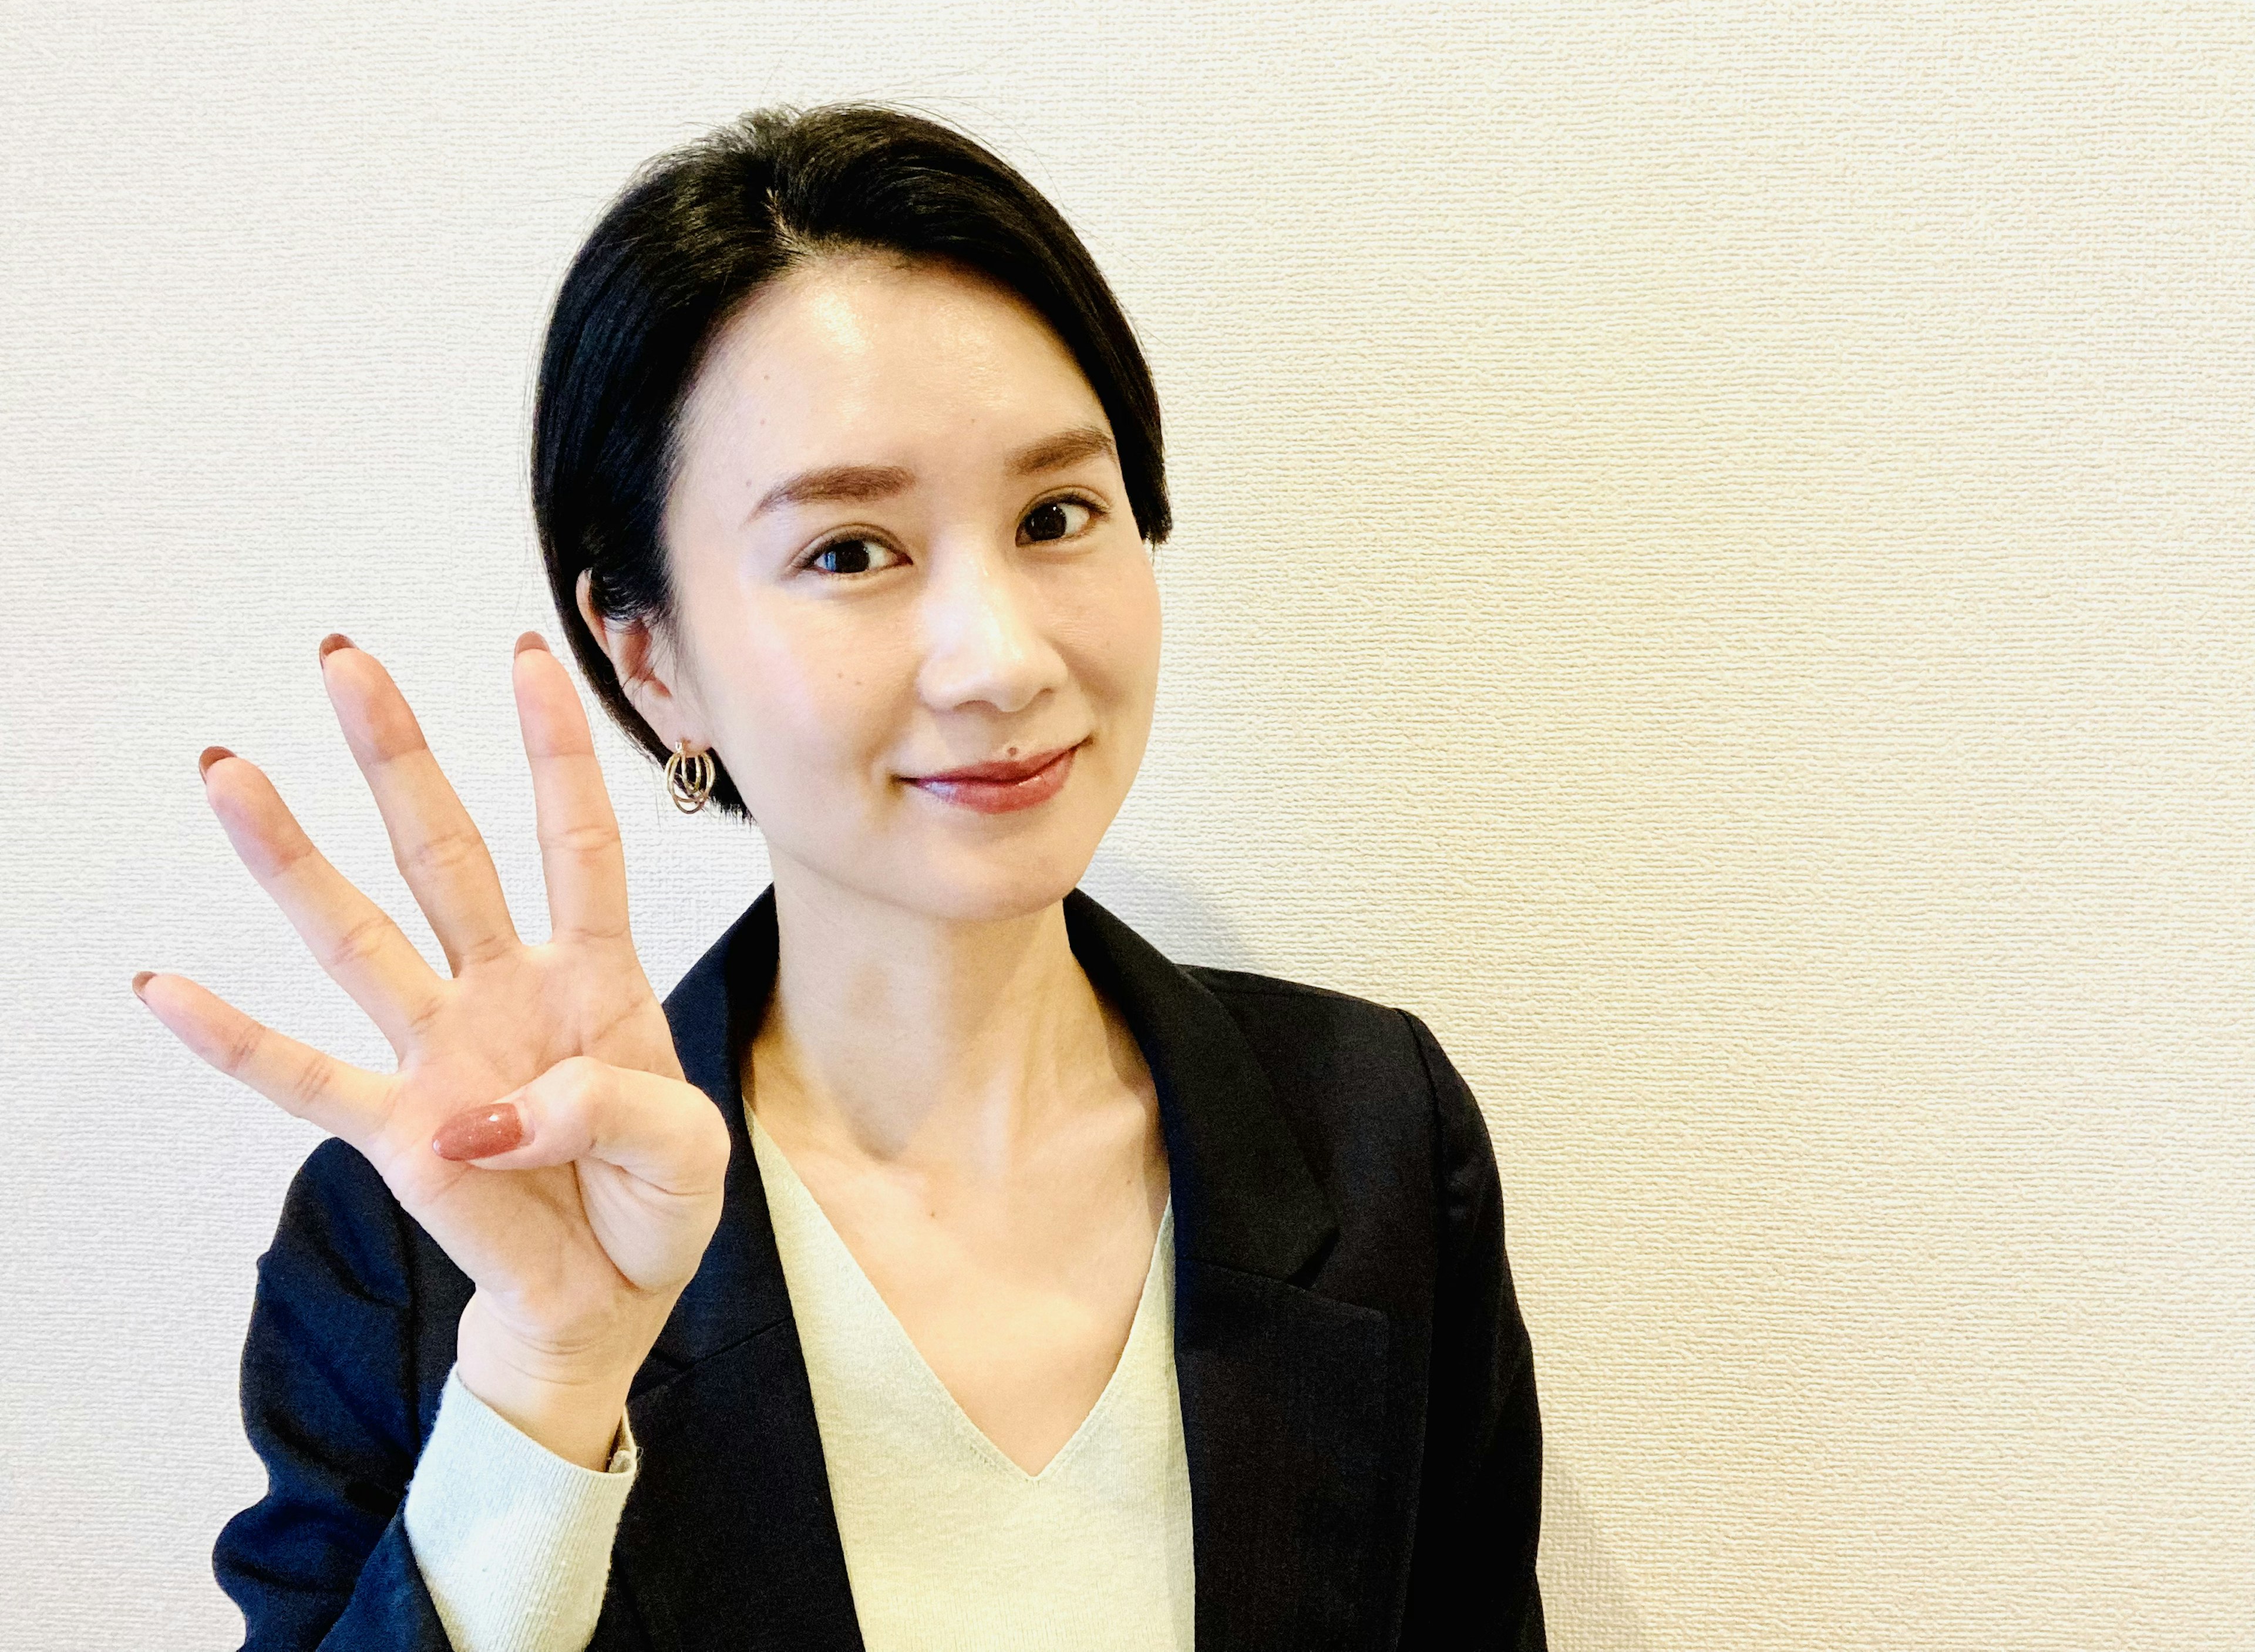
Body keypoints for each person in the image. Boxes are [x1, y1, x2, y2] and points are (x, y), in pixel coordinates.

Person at [134, 104, 1546, 1651]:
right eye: (852, 552)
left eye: (1057, 515)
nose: (1001, 660)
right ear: (649, 654)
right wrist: (547, 1385)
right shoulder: (435, 1238)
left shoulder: (1374, 1131)